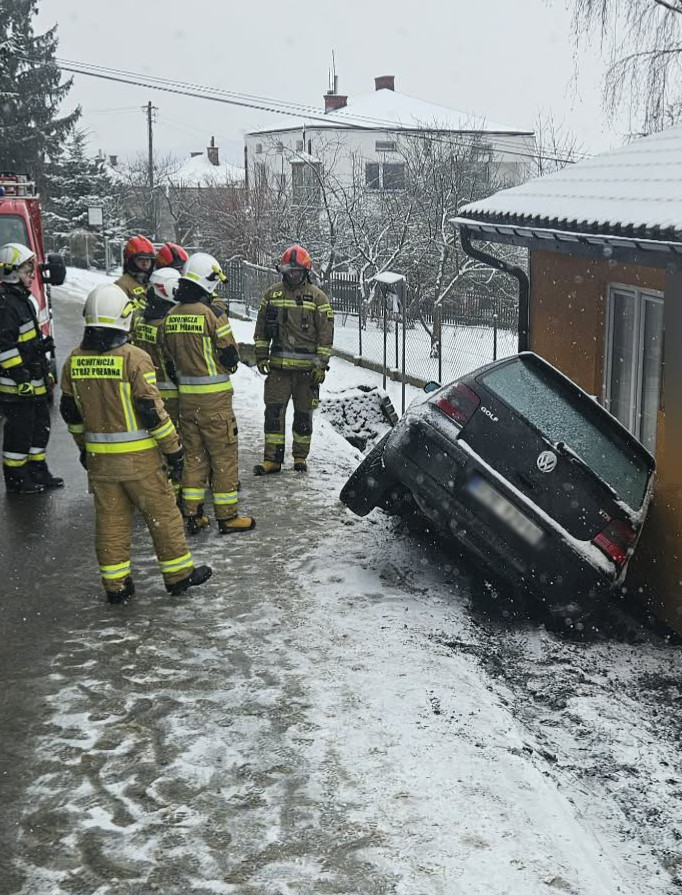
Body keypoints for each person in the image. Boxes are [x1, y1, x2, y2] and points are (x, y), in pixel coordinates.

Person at [59, 281, 211, 603]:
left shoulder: (73, 361)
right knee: (164, 516)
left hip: (101, 463)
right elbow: (152, 413)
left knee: (111, 522)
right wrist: (174, 450)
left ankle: (117, 586)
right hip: (140, 461)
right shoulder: (135, 358)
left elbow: (70, 413)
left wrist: (84, 448)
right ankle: (179, 576)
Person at [162, 252, 255, 536]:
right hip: (215, 404)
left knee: (194, 457)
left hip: (187, 403)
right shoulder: (213, 314)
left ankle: (193, 513)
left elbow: (168, 361)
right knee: (223, 457)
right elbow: (229, 356)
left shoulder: (170, 316)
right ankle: (227, 517)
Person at [253, 244, 333, 475]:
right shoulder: (272, 295)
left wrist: (321, 366)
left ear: (305, 272)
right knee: (273, 414)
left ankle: (300, 457)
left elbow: (325, 336)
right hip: (278, 370)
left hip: (306, 373)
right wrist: (261, 356)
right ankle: (272, 460)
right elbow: (261, 329)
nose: (293, 274)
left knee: (303, 416)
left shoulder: (318, 298)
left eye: (297, 271)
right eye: (290, 270)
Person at [0, 242, 63, 493]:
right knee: (19, 432)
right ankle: (17, 478)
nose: (30, 276)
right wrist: (20, 377)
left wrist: (39, 350)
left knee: (39, 427)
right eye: (27, 271)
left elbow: (24, 340)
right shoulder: (5, 304)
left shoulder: (22, 300)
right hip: (17, 385)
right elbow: (4, 347)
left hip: (32, 379)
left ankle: (37, 470)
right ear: (12, 271)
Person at [131, 267, 181, 426]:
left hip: (143, 393)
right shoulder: (167, 325)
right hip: (171, 398)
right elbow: (174, 363)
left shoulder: (139, 319)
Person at [115, 235, 156, 311]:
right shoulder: (122, 284)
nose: (145, 264)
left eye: (148, 260)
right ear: (130, 261)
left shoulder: (154, 281)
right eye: (140, 260)